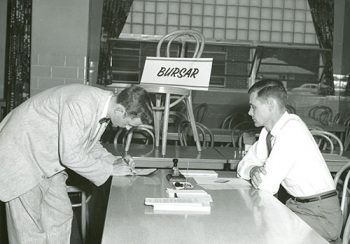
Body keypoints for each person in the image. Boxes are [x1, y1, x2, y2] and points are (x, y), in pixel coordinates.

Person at [0, 83, 153, 244]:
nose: (127, 128)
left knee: (60, 216)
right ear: (120, 111)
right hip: (20, 157)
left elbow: (89, 144)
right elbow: (70, 155)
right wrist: (110, 169)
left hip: (44, 159)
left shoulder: (103, 105)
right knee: (29, 231)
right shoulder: (81, 104)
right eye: (129, 123)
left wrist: (114, 161)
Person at [237, 79, 342, 241]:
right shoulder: (268, 131)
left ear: (270, 105)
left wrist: (257, 173)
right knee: (253, 229)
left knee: (258, 233)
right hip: (297, 206)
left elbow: (267, 185)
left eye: (253, 107)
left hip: (321, 215)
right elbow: (243, 165)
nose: (250, 112)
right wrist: (252, 170)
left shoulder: (291, 130)